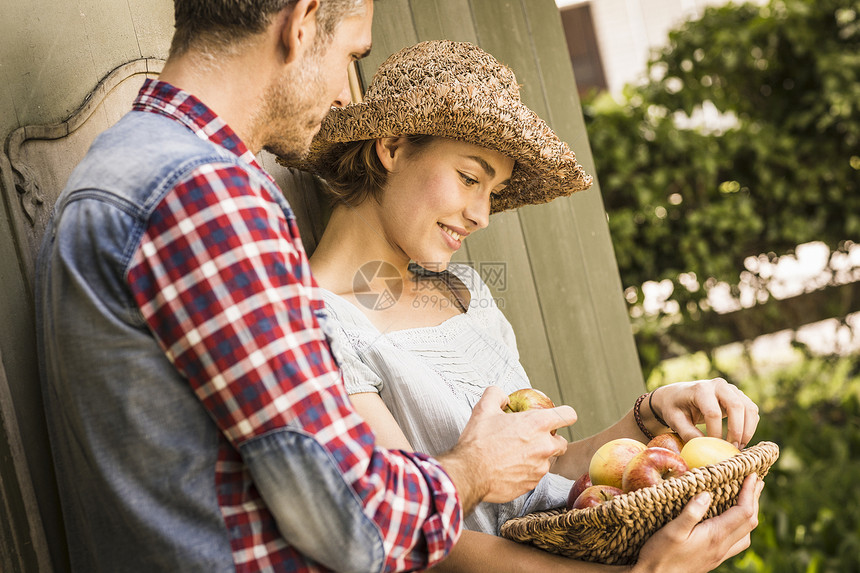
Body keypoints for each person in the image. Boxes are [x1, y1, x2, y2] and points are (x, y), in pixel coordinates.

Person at [34, 4, 579, 572]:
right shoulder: (203, 195)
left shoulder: (130, 168)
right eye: (351, 56)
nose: (346, 97)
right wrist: (475, 467)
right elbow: (355, 518)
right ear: (302, 21)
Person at [290, 40, 764, 572]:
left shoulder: (466, 292)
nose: (481, 214)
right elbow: (419, 533)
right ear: (392, 146)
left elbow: (544, 479)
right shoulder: (318, 326)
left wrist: (648, 416)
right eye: (470, 178)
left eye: (493, 191)